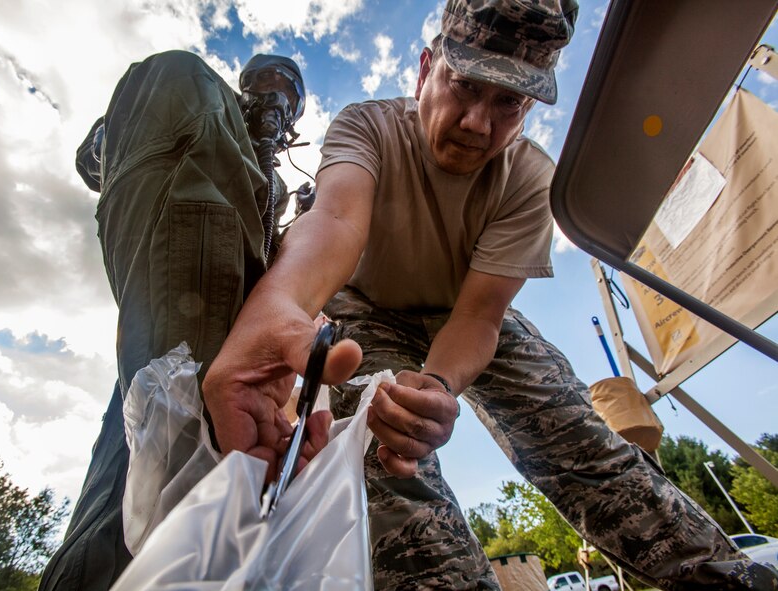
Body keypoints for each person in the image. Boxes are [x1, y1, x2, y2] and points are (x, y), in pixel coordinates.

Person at [202, 1, 778, 590]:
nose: (478, 122)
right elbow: (336, 224)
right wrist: (281, 309)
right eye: (465, 85)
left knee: (578, 439)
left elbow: (480, 313)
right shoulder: (368, 125)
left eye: (508, 102)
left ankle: (726, 579)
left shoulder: (530, 178)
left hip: (467, 312)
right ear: (426, 69)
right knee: (382, 456)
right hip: (364, 306)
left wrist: (440, 385)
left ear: (528, 106)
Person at [39, 50, 309, 590]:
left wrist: (301, 224)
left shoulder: (270, 185)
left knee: (204, 519)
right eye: (262, 84)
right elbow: (100, 155)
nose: (274, 98)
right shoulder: (201, 105)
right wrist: (219, 116)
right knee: (118, 504)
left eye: (287, 94)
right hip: (164, 338)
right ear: (243, 85)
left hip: (238, 359)